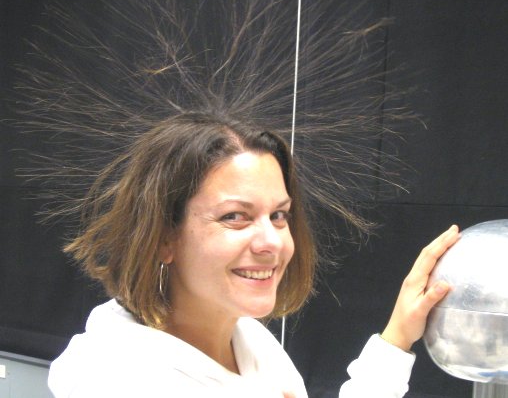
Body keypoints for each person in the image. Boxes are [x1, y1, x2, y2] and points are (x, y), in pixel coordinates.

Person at [47, 111, 460, 398]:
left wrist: (397, 336)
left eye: (279, 215)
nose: (272, 242)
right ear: (163, 238)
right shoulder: (115, 380)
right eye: (235, 217)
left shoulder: (249, 341)